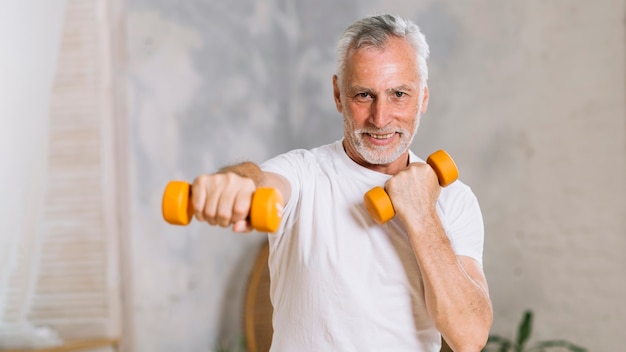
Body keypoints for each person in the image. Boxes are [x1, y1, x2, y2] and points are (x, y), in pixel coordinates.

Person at [191, 14, 492, 351]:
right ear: (338, 94)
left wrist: (422, 216)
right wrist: (235, 184)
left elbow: (470, 336)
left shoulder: (454, 200)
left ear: (422, 97)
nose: (380, 118)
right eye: (364, 95)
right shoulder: (304, 174)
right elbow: (258, 182)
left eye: (398, 94)